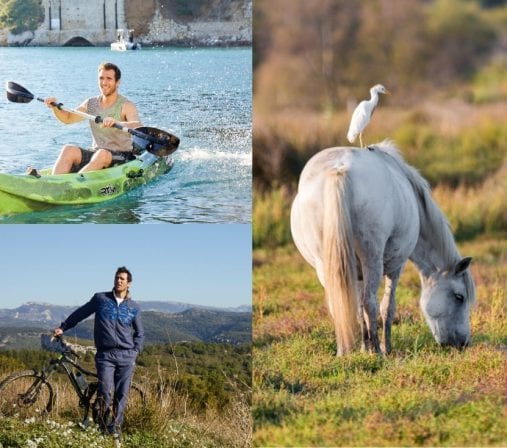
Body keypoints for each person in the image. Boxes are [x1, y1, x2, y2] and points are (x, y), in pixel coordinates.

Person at [53, 266, 144, 438]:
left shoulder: (134, 307)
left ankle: (115, 428)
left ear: (129, 284)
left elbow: (140, 333)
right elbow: (81, 313)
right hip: (106, 355)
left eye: (122, 279)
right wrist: (63, 327)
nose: (118, 280)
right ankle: (102, 428)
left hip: (126, 356)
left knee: (122, 394)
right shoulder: (100, 299)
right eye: (117, 277)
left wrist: (135, 352)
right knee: (106, 392)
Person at [36, 62, 141, 176]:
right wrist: (55, 108)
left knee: (102, 154)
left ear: (117, 82)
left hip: (121, 156)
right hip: (96, 153)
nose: (104, 82)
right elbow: (68, 118)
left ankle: (72, 184)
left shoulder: (126, 105)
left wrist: (118, 122)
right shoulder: (91, 103)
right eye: (101, 78)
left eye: (109, 78)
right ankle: (53, 183)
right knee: (69, 149)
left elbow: (137, 126)